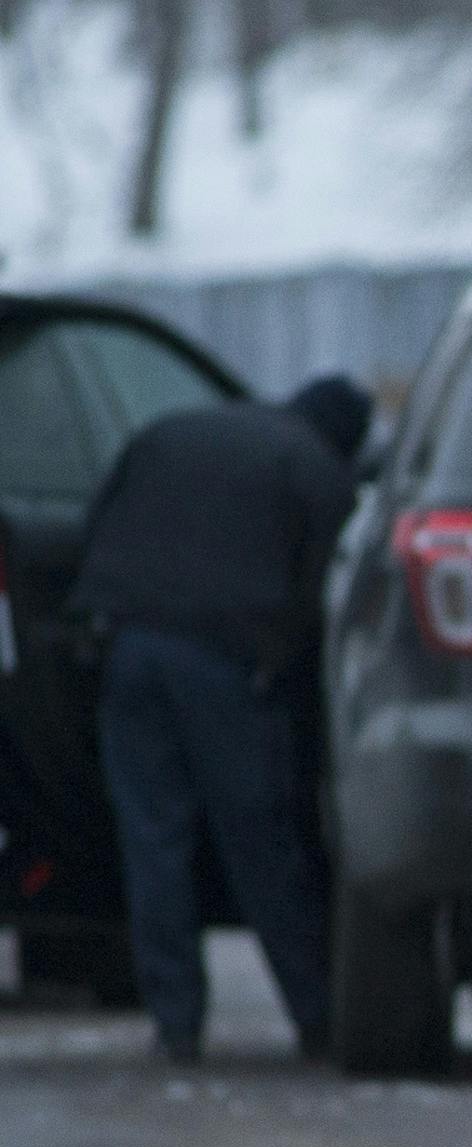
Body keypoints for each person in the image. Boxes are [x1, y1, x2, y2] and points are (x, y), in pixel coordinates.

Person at [71, 375, 372, 1065]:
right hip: (223, 664)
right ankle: (318, 1014)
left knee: (153, 840)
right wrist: (280, 662)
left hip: (130, 646)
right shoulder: (315, 467)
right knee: (263, 845)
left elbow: (96, 525)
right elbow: (324, 594)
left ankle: (176, 1024)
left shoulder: (172, 429)